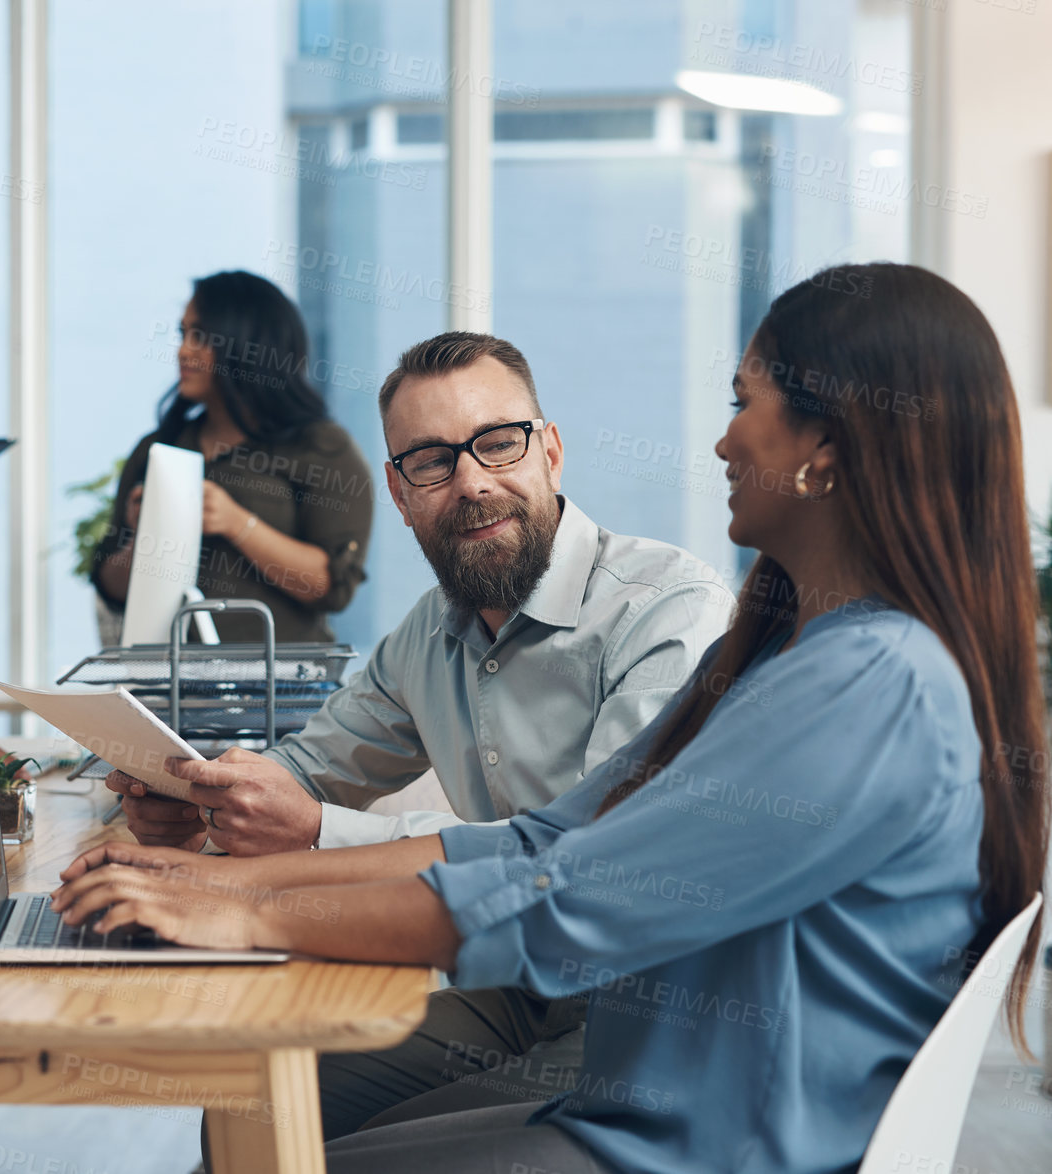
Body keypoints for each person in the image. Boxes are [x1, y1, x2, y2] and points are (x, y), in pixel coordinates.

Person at [54, 262, 1049, 1172]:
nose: (719, 436)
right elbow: (544, 839)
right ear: (400, 491)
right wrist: (218, 872)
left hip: (701, 1139)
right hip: (650, 1095)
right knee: (269, 1132)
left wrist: (244, 904)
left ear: (823, 451)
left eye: (742, 402)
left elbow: (563, 897)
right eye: (435, 461)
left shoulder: (862, 682)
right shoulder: (800, 652)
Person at [105, 329, 736, 1121]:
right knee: (261, 1104)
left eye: (497, 445)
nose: (471, 483)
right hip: (515, 989)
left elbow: (580, 859)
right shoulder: (425, 634)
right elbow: (304, 768)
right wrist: (199, 799)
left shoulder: (668, 609)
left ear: (550, 453)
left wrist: (304, 836)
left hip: (649, 1010)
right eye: (432, 461)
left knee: (346, 1145)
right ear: (400, 496)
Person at [91, 270, 375, 644]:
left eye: (201, 337)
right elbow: (111, 589)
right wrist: (145, 538)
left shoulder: (321, 448)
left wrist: (235, 522)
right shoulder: (160, 447)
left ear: (248, 346)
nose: (183, 351)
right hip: (170, 685)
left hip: (284, 688)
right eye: (183, 334)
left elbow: (332, 588)